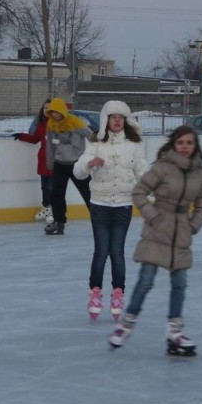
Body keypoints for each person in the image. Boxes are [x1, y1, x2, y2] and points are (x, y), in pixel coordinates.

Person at [108, 125, 202, 357]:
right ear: (174, 144)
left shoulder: (200, 173)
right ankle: (126, 325)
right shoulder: (162, 167)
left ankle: (174, 332)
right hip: (157, 230)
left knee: (180, 284)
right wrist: (152, 216)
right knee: (145, 281)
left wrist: (194, 224)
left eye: (189, 143)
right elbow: (139, 192)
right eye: (181, 142)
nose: (185, 147)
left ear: (195, 146)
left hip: (181, 232)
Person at [73, 101, 147, 320]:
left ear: (125, 121)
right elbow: (78, 171)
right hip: (100, 205)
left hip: (123, 205)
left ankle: (118, 293)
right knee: (100, 251)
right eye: (113, 117)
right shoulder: (96, 144)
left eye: (121, 117)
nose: (117, 120)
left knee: (117, 252)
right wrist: (88, 164)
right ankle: (95, 293)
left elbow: (144, 173)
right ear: (106, 120)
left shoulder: (134, 146)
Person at [44, 97, 92, 236]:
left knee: (88, 193)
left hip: (77, 164)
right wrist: (50, 163)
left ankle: (99, 221)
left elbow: (91, 136)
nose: (55, 115)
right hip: (60, 163)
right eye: (52, 112)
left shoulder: (75, 122)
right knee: (57, 195)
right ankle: (59, 223)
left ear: (63, 111)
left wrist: (92, 155)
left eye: (57, 112)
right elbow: (50, 145)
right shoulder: (51, 124)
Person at [12, 99, 54, 223]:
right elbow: (35, 138)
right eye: (45, 108)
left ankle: (53, 212)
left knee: (52, 188)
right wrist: (21, 136)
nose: (47, 110)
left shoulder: (58, 124)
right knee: (45, 188)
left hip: (55, 161)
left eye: (49, 108)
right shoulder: (41, 123)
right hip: (43, 161)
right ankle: (48, 210)